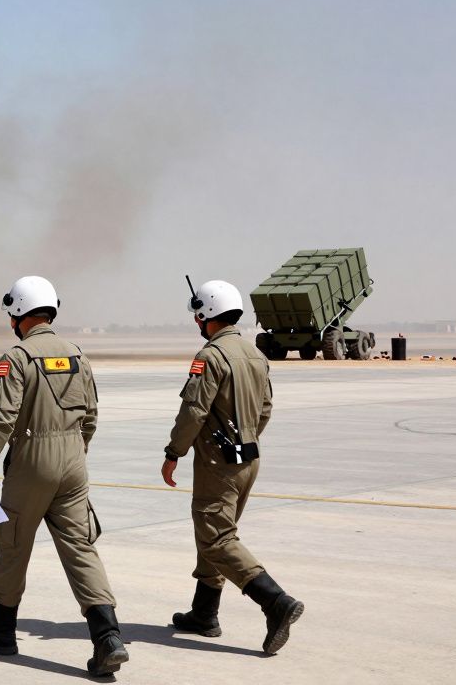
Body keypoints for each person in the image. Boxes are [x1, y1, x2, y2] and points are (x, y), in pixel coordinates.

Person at [0, 276, 128, 677]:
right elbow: (90, 415)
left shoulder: (18, 357)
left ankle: (2, 632)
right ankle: (108, 637)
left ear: (19, 312)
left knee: (13, 543)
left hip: (32, 460)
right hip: (74, 461)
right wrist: (74, 451)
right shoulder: (77, 354)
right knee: (80, 548)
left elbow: (1, 417)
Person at [161, 279, 304, 654]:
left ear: (207, 315)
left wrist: (174, 452)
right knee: (215, 531)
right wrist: (246, 439)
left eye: (198, 316)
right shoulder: (255, 354)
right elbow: (266, 409)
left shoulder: (210, 357)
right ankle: (204, 612)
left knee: (216, 537)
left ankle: (276, 602)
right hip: (248, 459)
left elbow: (194, 411)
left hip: (217, 461)